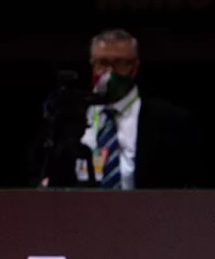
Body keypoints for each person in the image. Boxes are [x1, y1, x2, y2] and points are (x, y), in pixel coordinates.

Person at [34, 28, 204, 189]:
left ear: (135, 67)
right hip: (80, 215)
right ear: (92, 64)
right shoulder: (64, 117)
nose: (109, 71)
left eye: (120, 63)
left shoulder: (171, 121)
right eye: (102, 63)